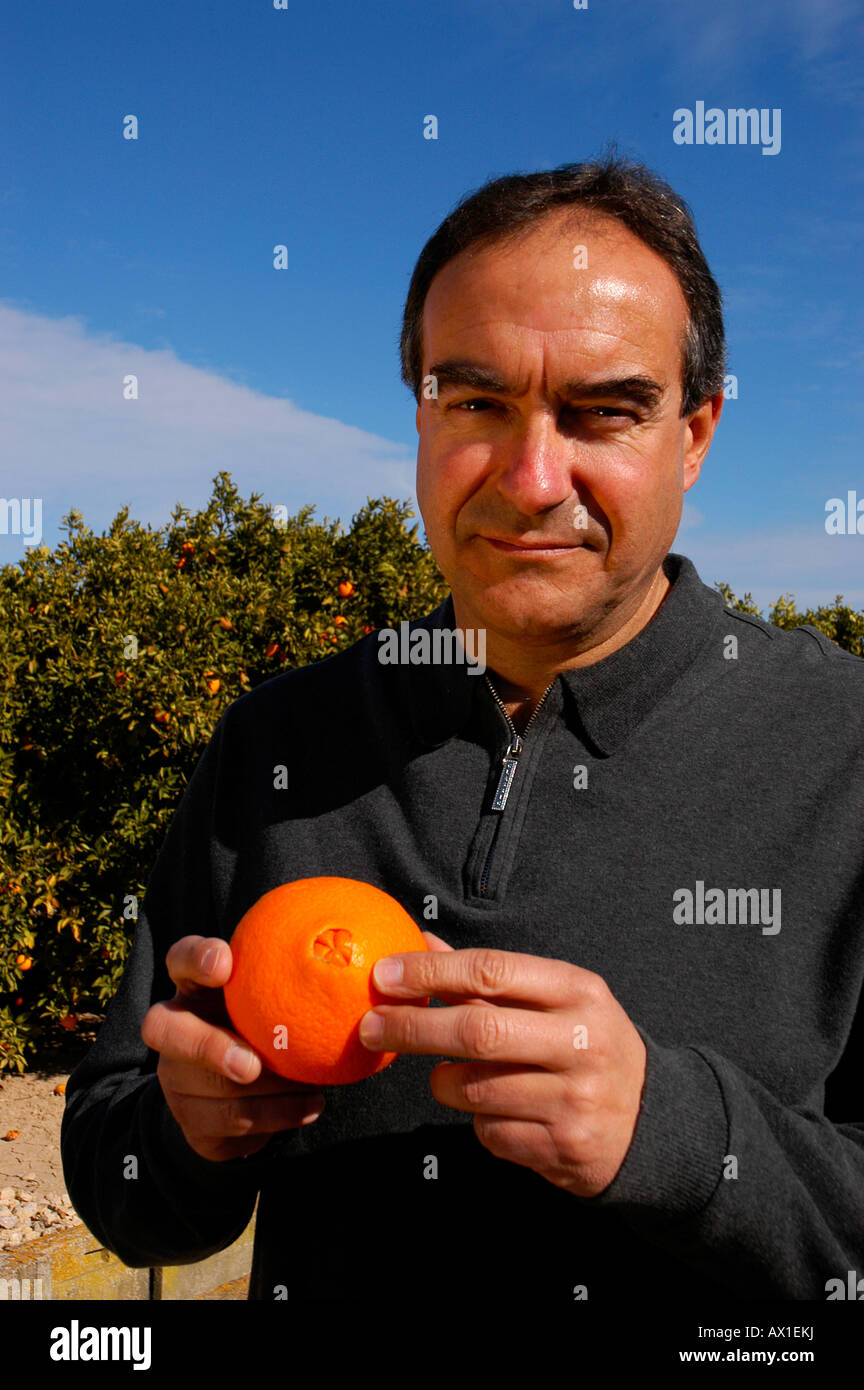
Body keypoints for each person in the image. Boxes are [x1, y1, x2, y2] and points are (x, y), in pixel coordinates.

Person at [61, 154, 864, 1303]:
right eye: (478, 402)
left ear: (694, 436)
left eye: (603, 411)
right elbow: (117, 1177)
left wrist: (680, 1132)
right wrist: (187, 1132)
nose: (534, 479)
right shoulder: (277, 745)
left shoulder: (843, 751)